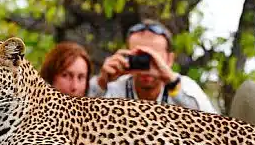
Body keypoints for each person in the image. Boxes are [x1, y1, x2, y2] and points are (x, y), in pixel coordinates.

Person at [88, 20, 219, 114]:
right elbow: (82, 118)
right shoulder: (115, 88)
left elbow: (212, 126)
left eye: (154, 58)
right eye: (139, 57)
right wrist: (102, 83)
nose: (146, 64)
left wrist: (172, 83)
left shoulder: (184, 86)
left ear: (169, 59)